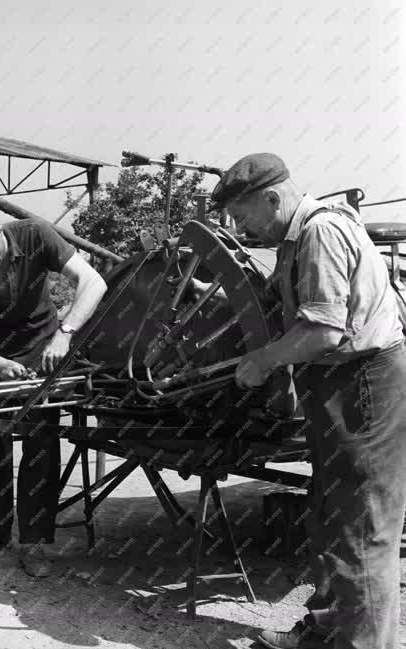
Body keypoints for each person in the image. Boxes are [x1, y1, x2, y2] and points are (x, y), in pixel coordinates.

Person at [210, 153, 406, 649]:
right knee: (332, 518)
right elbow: (284, 306)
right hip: (342, 383)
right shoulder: (299, 240)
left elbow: (321, 329)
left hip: (363, 382)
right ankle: (325, 630)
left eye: (243, 216)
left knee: (361, 529)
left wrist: (262, 362)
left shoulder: (320, 233)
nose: (243, 229)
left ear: (272, 198)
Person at [0, 206, 107, 577]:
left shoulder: (35, 234)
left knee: (39, 445)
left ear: (0, 232)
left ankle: (34, 542)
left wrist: (66, 333)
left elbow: (94, 281)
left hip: (41, 349)